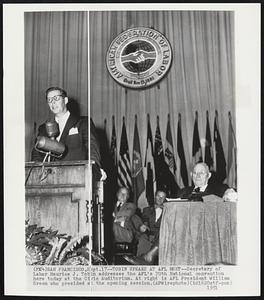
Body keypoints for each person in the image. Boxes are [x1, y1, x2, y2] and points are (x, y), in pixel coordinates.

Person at [31, 87, 102, 178]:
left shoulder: (83, 122)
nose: (53, 102)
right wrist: (36, 175)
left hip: (77, 178)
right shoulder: (43, 128)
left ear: (65, 100)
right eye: (49, 100)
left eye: (56, 98)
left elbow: (93, 151)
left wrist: (94, 173)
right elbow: (36, 154)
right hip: (49, 180)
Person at [123, 190, 166, 265]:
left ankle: (149, 255)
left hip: (161, 236)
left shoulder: (168, 211)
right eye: (158, 196)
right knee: (143, 238)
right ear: (155, 197)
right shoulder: (147, 210)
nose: (160, 199)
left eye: (162, 197)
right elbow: (144, 221)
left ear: (165, 199)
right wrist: (142, 226)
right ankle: (141, 258)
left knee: (162, 236)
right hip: (148, 234)